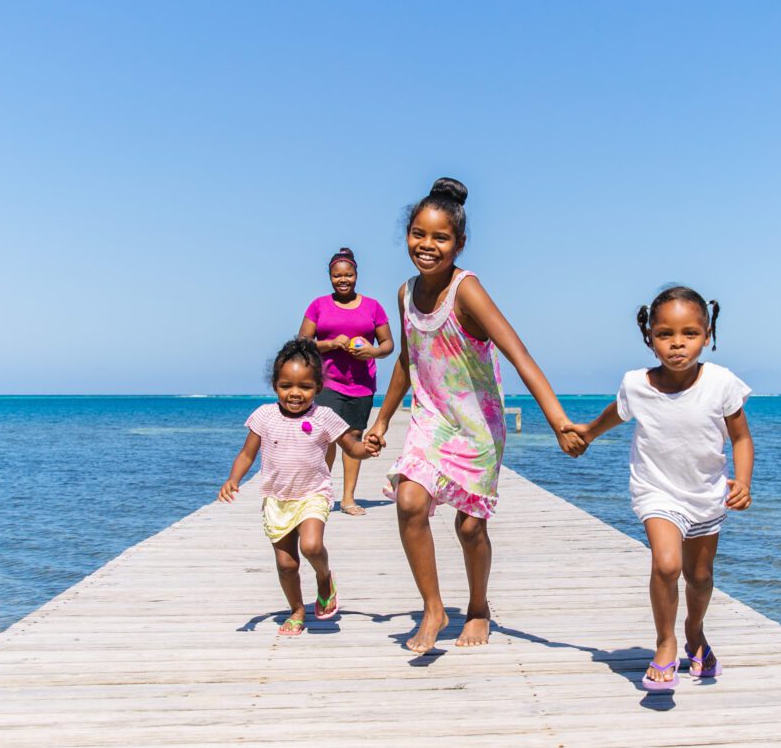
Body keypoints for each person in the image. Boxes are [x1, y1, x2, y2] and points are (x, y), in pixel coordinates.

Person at [358, 178, 586, 653]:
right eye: (418, 234)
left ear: (459, 244)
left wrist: (558, 419)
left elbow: (519, 354)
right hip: (431, 418)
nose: (427, 245)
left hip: (478, 424)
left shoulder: (468, 291)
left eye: (440, 238)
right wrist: (381, 420)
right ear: (407, 235)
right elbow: (407, 358)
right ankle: (434, 607)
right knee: (409, 501)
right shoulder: (404, 294)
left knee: (469, 526)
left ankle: (479, 607)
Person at [565, 285, 754, 690]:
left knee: (699, 576)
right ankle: (665, 643)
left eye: (689, 334)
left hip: (706, 493)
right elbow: (615, 414)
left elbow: (740, 437)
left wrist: (745, 481)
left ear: (708, 336)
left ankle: (695, 632)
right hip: (657, 492)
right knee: (667, 564)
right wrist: (589, 434)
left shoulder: (721, 383)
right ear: (649, 338)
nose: (677, 344)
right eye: (665, 334)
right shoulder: (636, 384)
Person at [219, 339, 379, 636]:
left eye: (305, 386)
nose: (295, 393)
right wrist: (233, 479)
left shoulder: (325, 417)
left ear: (318, 387)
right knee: (286, 565)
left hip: (313, 494)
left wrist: (366, 449)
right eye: (286, 386)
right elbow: (247, 454)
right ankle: (296, 609)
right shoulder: (264, 416)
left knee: (311, 546)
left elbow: (351, 448)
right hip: (276, 499)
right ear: (275, 386)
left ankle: (323, 577)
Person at [297, 247, 393, 517]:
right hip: (327, 383)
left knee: (353, 438)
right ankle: (321, 495)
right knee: (325, 440)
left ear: (356, 275)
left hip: (361, 385)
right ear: (330, 277)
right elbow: (302, 342)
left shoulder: (373, 306)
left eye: (348, 275)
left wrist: (371, 352)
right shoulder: (318, 305)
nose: (343, 280)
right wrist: (328, 344)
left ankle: (348, 498)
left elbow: (388, 345)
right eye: (337, 276)